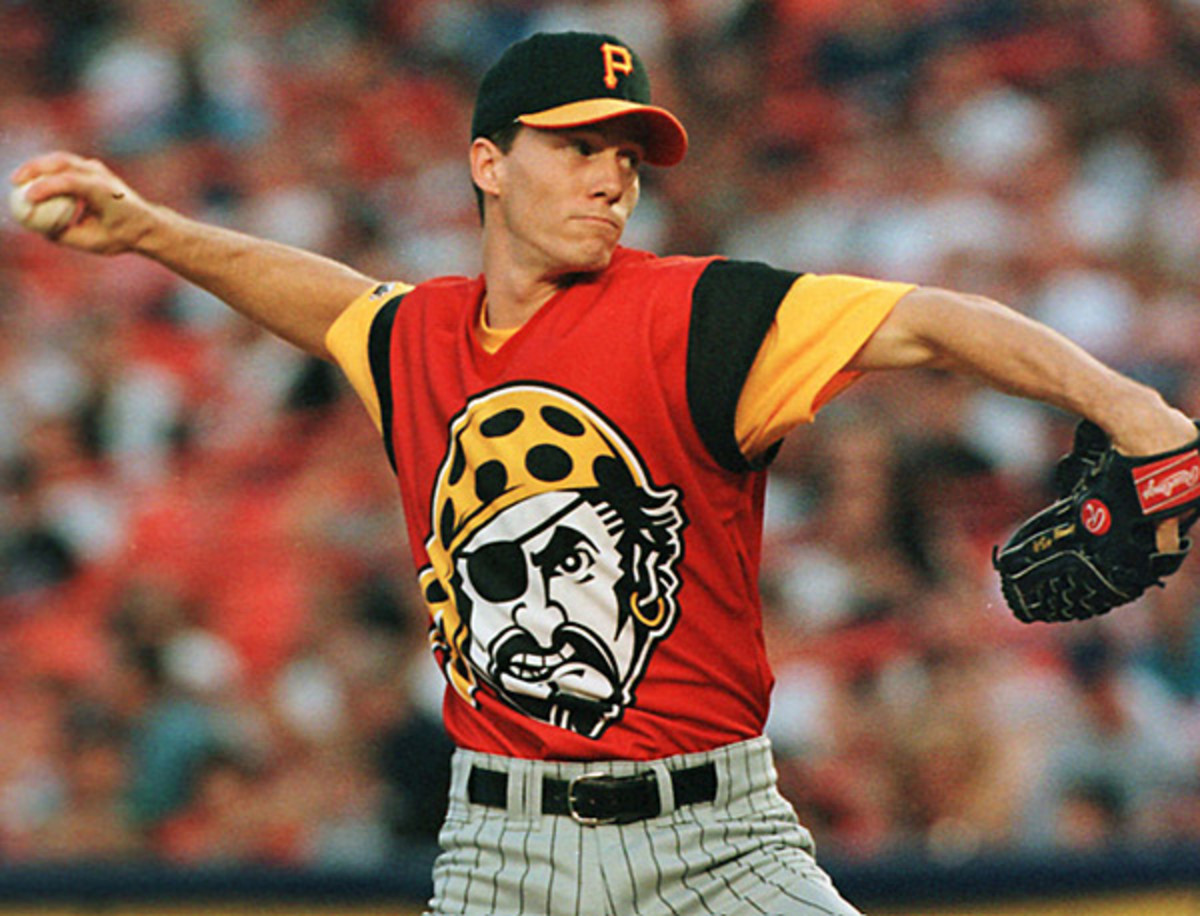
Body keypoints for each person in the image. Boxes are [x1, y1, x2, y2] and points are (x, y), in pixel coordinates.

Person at [11, 28, 1196, 916]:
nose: (612, 178)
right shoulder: (418, 339)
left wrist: (1132, 406)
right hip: (502, 854)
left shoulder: (698, 318)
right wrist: (149, 228)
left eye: (626, 155)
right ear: (487, 162)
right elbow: (326, 303)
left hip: (720, 846)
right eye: (578, 146)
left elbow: (931, 322)